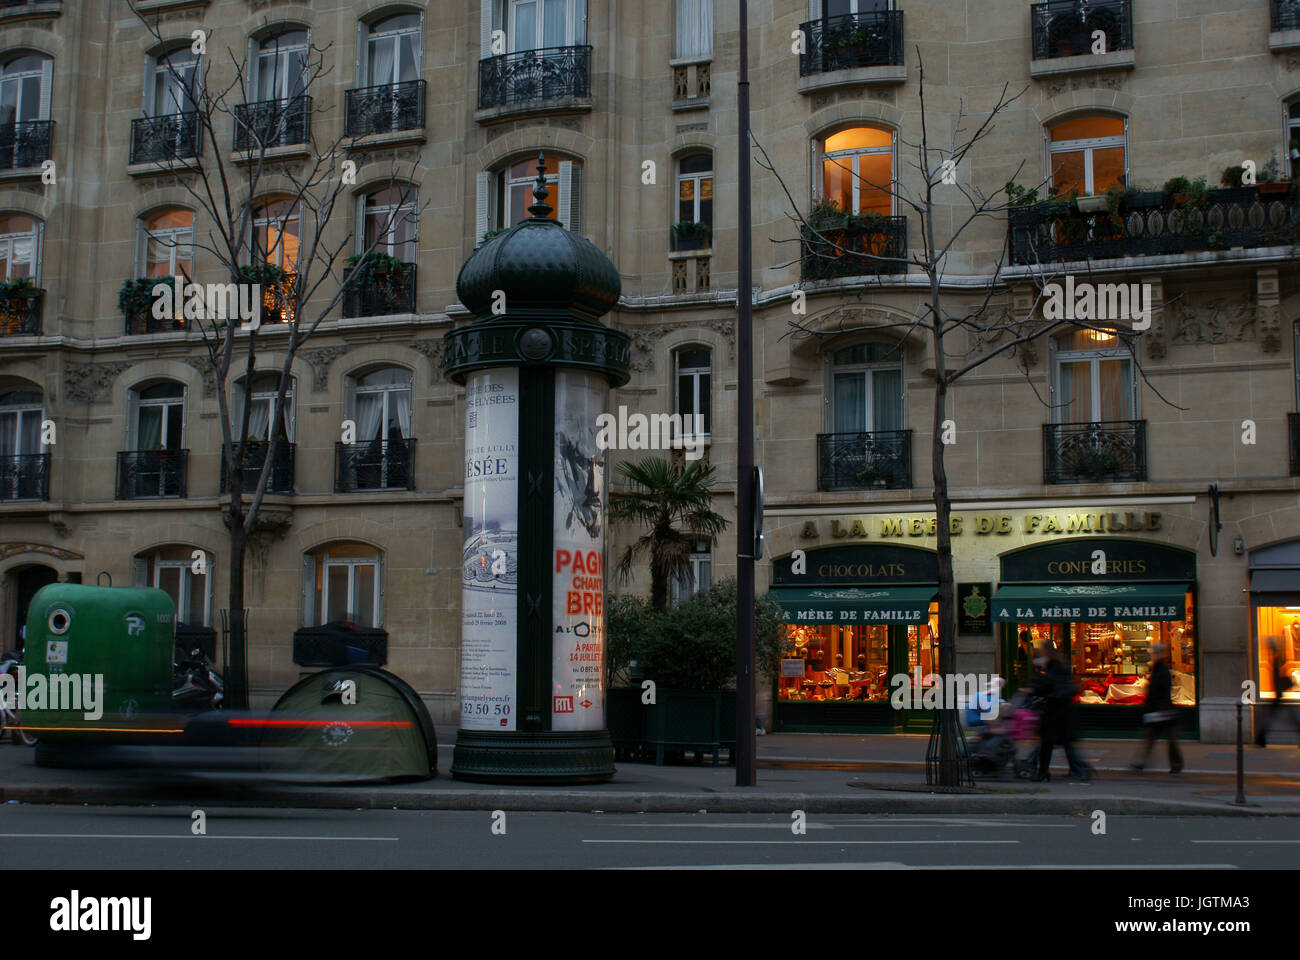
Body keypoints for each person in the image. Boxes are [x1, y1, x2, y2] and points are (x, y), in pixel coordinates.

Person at [1033, 647, 1091, 781]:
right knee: (1066, 744)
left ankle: (1044, 772)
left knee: (1048, 744)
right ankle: (1078, 770)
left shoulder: (1053, 669)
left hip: (1055, 713)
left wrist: (1037, 678)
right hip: (1064, 713)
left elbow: (1044, 686)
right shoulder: (1061, 667)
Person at [1131, 643, 1183, 773]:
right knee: (1157, 739)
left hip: (1161, 711)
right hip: (1162, 710)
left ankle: (1174, 764)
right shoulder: (1160, 670)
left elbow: (1156, 690)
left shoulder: (1161, 670)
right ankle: (1175, 765)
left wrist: (1149, 701)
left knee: (1157, 738)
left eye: (1154, 654)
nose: (1152, 656)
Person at [1254, 635, 1300, 747]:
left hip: (1278, 694)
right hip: (1278, 694)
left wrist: (1278, 689)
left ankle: (1261, 737)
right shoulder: (1277, 658)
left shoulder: (1276, 659)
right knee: (1289, 718)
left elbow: (1276, 677)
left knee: (1276, 718)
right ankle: (1261, 737)